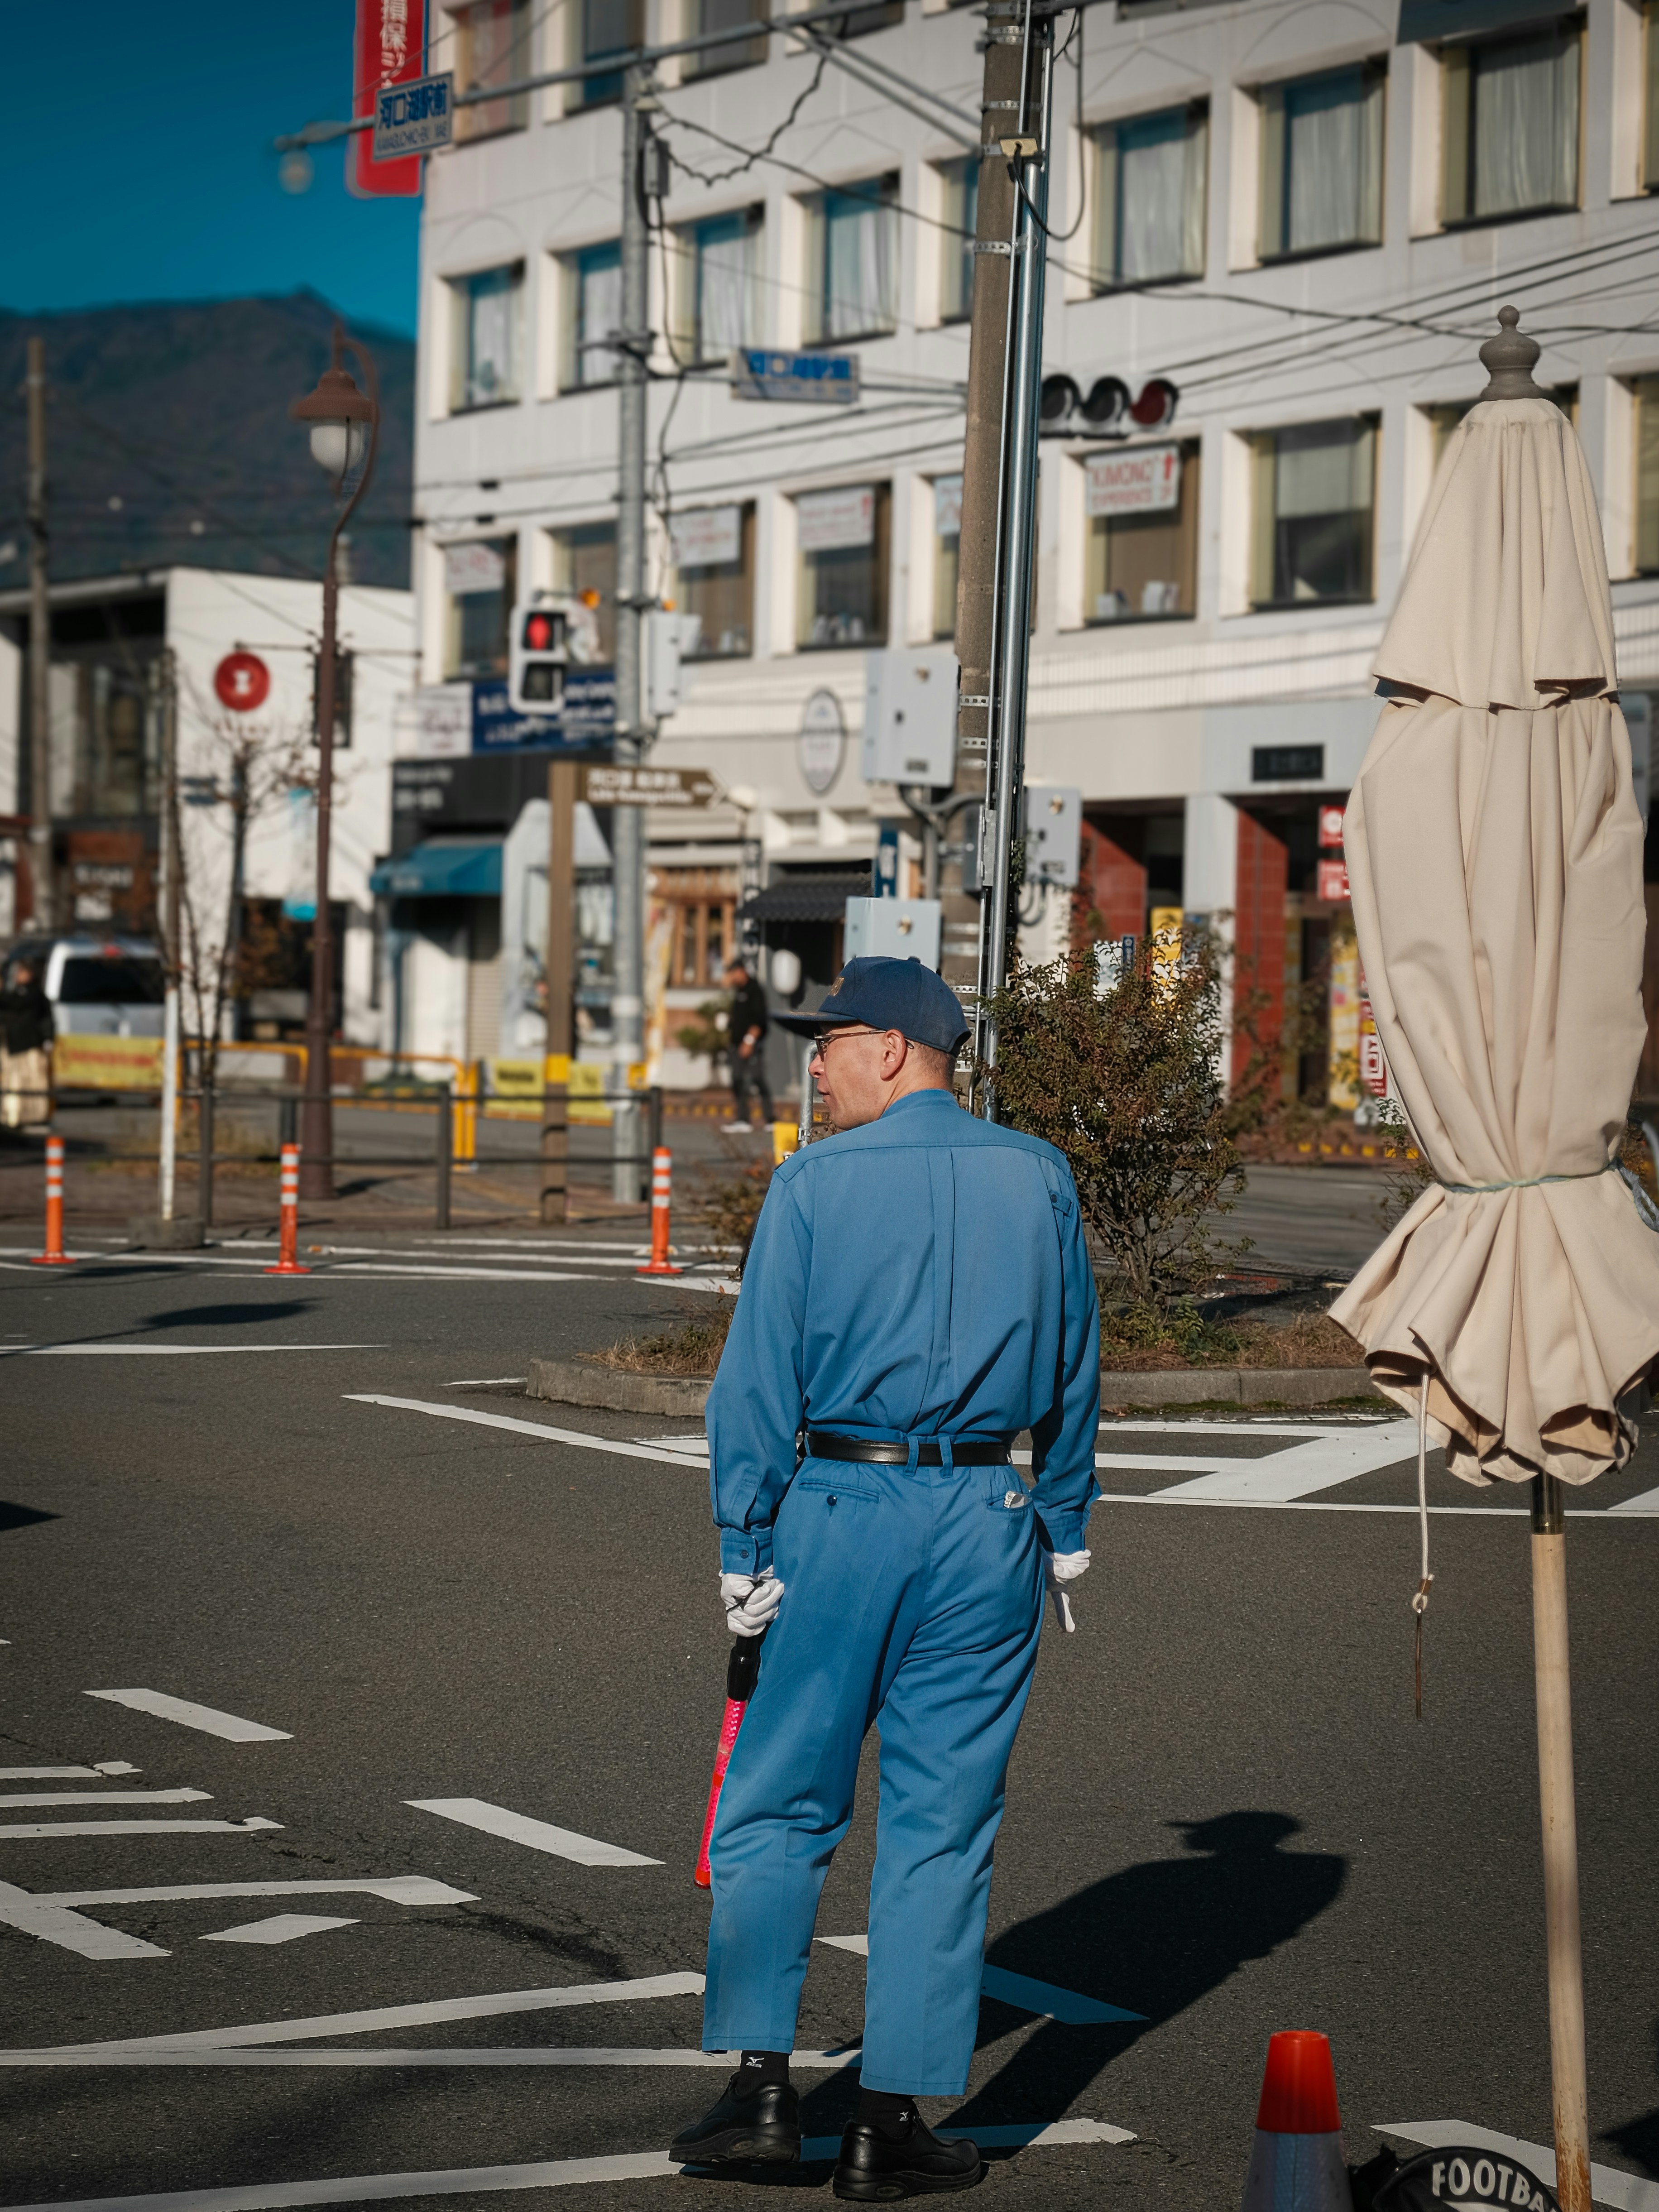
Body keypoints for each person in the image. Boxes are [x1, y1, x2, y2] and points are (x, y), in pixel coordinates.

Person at [669, 955, 1099, 2201]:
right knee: (941, 1823)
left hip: (840, 1508)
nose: (814, 1058)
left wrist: (744, 1544)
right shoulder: (1038, 1175)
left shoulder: (812, 1183)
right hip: (989, 1513)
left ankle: (759, 2089)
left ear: (899, 1051)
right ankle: (886, 2119)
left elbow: (756, 1384)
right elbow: (1075, 1364)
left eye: (834, 1037)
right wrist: (1065, 1518)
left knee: (780, 1799)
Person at [0, 959, 55, 1132]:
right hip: (13, 1047)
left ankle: (33, 1116)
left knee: (32, 1083)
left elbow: (45, 1019)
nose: (18, 976)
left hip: (30, 1047)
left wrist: (48, 1039)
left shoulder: (35, 996)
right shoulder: (14, 995)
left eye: (22, 972)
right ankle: (12, 1115)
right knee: (13, 1083)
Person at [722, 957, 774, 1135]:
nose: (732, 977)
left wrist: (749, 1042)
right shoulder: (739, 991)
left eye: (733, 973)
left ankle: (770, 1119)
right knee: (737, 1080)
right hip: (736, 1045)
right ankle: (743, 1119)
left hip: (750, 1044)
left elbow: (759, 1019)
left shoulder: (754, 990)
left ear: (741, 971)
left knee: (757, 1078)